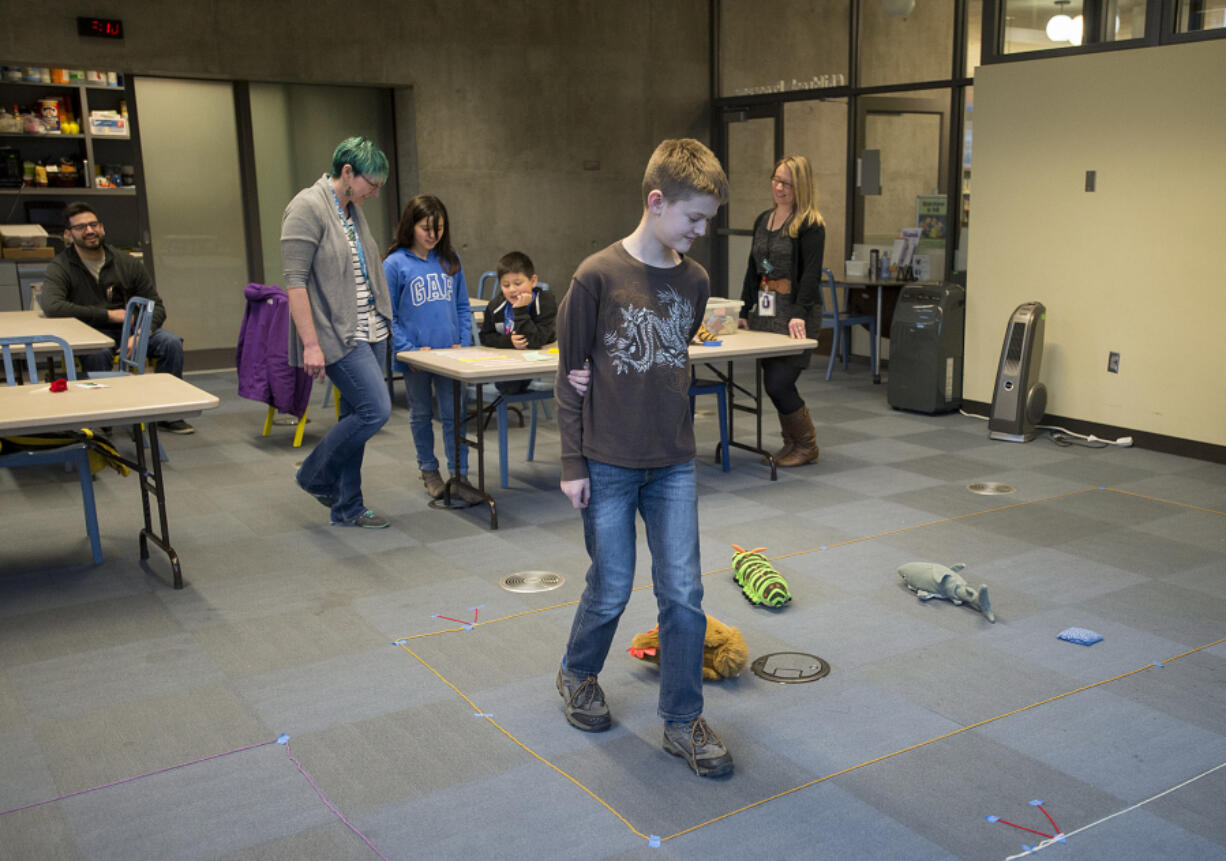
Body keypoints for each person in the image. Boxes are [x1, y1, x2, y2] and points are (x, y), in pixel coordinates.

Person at [553, 138, 734, 778]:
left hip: (673, 461)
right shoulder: (595, 276)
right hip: (605, 462)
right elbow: (569, 372)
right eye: (693, 216)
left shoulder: (696, 280)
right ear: (656, 202)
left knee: (683, 594)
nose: (701, 230)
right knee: (611, 586)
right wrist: (573, 464)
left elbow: (674, 357)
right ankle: (577, 672)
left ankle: (682, 719)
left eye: (708, 218)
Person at [283, 136, 393, 529]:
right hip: (338, 334)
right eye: (371, 184)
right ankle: (313, 475)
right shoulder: (307, 207)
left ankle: (347, 507)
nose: (375, 193)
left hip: (370, 329)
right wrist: (311, 344)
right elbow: (295, 282)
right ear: (347, 172)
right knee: (375, 410)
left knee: (354, 417)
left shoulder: (350, 209)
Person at [42, 202, 193, 434]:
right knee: (98, 352)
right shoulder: (61, 266)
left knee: (170, 342)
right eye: (81, 227)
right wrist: (108, 315)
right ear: (68, 234)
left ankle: (170, 413)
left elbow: (156, 307)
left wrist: (141, 334)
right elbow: (52, 306)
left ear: (102, 228)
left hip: (131, 330)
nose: (89, 231)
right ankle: (104, 415)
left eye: (93, 225)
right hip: (90, 333)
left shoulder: (127, 262)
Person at [384, 194, 482, 505]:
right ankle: (429, 470)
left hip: (451, 357)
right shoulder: (395, 264)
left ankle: (460, 474)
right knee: (421, 414)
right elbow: (389, 316)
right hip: (415, 358)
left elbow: (463, 307)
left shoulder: (450, 260)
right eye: (426, 228)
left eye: (438, 228)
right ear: (410, 226)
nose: (432, 234)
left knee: (455, 415)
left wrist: (464, 344)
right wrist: (407, 349)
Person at [738, 154, 825, 467]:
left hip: (796, 314)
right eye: (776, 180)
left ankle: (806, 444)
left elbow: (811, 273)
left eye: (787, 183)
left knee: (779, 382)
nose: (779, 187)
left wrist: (799, 313)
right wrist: (743, 308)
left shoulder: (810, 224)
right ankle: (791, 445)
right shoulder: (763, 219)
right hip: (766, 311)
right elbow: (753, 268)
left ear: (800, 185)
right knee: (771, 380)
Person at [478, 250, 557, 395]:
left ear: (533, 281)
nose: (512, 290)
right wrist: (508, 341)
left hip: (538, 361)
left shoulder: (545, 302)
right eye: (506, 285)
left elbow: (535, 341)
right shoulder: (496, 306)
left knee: (510, 389)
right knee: (507, 388)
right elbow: (485, 336)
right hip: (509, 361)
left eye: (518, 283)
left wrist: (520, 310)